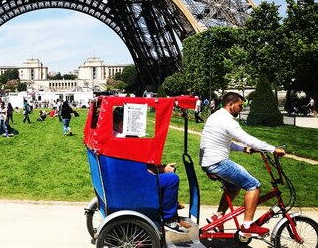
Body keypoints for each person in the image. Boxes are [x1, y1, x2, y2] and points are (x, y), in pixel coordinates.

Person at [199, 92, 285, 236]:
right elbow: (247, 138)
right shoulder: (227, 120)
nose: (241, 109)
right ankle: (247, 225)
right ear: (231, 105)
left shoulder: (216, 116)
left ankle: (218, 216)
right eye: (240, 106)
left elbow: (224, 142)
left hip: (210, 162)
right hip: (217, 163)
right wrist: (272, 149)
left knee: (234, 186)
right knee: (253, 185)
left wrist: (243, 149)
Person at [113, 109, 189, 233]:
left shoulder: (116, 136)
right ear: (120, 123)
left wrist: (160, 168)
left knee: (167, 175)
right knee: (172, 179)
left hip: (128, 176)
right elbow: (141, 166)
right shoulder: (123, 138)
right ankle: (169, 219)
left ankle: (173, 211)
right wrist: (161, 169)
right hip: (134, 180)